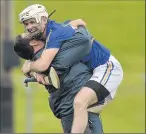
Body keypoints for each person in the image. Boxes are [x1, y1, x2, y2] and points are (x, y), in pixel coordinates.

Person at [19, 4, 123, 133]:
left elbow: (43, 64)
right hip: (93, 71)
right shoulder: (50, 34)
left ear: (44, 19)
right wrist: (34, 70)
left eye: (32, 22)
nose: (29, 27)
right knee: (85, 109)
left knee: (80, 102)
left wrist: (29, 66)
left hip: (106, 67)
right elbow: (79, 22)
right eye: (26, 24)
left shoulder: (55, 34)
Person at [14, 29, 103, 134]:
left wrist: (30, 69)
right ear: (33, 42)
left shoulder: (38, 60)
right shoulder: (50, 56)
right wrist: (74, 26)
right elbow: (84, 39)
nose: (31, 32)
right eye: (28, 35)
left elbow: (29, 66)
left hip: (77, 107)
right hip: (73, 109)